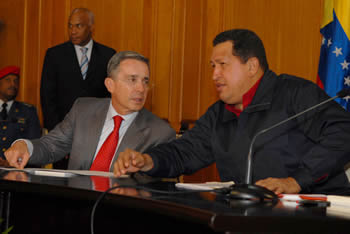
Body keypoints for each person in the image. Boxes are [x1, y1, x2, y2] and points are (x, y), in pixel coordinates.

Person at [113, 29, 350, 195]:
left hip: (315, 213)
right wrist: (148, 160)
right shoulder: (220, 113)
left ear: (252, 66)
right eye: (212, 66)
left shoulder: (294, 93)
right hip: (251, 215)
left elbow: (344, 133)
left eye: (222, 65)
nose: (214, 74)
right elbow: (185, 151)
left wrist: (296, 180)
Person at [4, 51, 175, 171]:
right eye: (132, 80)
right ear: (110, 85)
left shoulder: (160, 133)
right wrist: (24, 146)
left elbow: (158, 183)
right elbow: (50, 147)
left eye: (145, 81)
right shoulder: (83, 110)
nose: (141, 88)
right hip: (76, 207)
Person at [40, 8, 116, 169]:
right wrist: (59, 137)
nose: (73, 31)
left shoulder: (108, 55)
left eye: (79, 26)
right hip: (63, 134)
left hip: (97, 136)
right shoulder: (54, 55)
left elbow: (112, 98)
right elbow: (47, 98)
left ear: (91, 27)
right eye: (70, 26)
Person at [0, 66, 41, 162]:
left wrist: (12, 161)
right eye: (8, 80)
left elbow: (34, 143)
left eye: (16, 81)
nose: (12, 84)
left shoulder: (28, 111)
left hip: (18, 167)